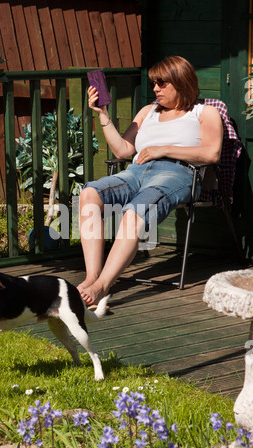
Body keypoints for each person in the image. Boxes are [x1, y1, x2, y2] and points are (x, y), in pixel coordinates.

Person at [77, 56, 223, 306]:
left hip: (177, 173)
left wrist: (161, 149)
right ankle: (92, 275)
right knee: (89, 194)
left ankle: (102, 286)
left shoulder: (204, 112)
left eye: (161, 82)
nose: (155, 88)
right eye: (154, 82)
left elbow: (212, 153)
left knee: (136, 211)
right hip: (137, 171)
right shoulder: (148, 111)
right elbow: (123, 151)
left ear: (181, 82)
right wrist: (103, 115)